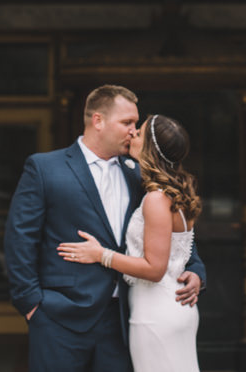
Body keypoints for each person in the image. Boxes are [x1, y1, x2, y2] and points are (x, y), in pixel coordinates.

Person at [4, 85, 206, 372]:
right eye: (127, 123)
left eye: (136, 124)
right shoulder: (45, 168)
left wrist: (196, 270)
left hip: (124, 319)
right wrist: (32, 305)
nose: (134, 131)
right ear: (98, 121)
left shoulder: (139, 174)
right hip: (59, 318)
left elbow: (171, 233)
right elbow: (20, 239)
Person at [58, 113, 203, 372]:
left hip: (156, 314)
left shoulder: (157, 199)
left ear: (150, 148)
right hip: (171, 308)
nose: (133, 133)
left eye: (141, 132)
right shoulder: (172, 193)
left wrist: (101, 254)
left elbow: (155, 269)